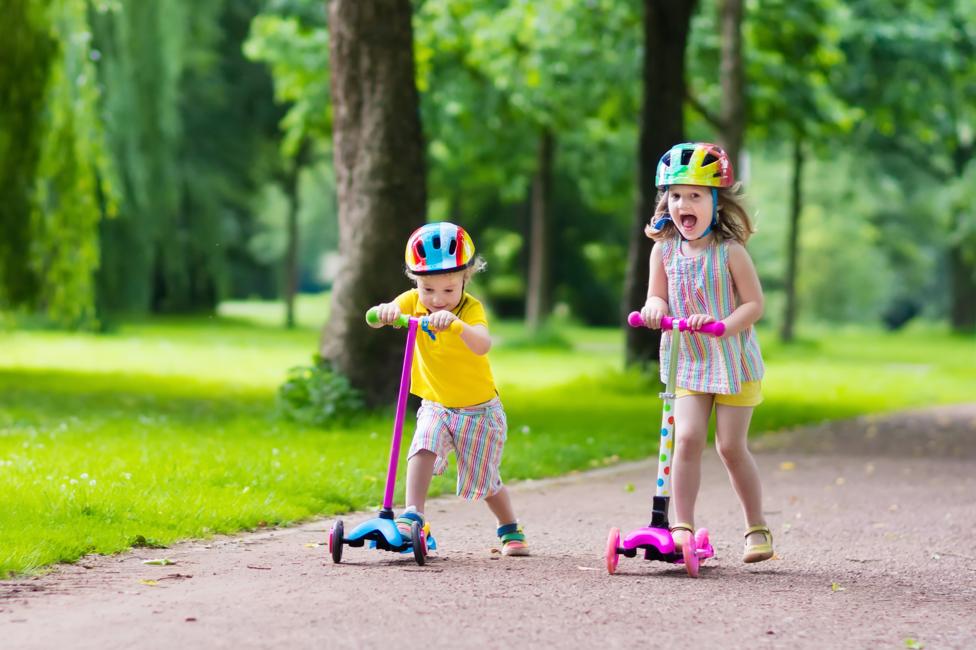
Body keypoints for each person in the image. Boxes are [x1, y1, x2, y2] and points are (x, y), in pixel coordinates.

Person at [637, 142, 773, 563]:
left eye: (695, 195)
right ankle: (682, 526)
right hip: (689, 361)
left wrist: (723, 326)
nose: (683, 204)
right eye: (675, 196)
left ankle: (756, 528)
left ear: (715, 202)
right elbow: (656, 297)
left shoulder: (730, 252)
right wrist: (655, 310)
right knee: (688, 438)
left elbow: (754, 304)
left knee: (730, 447)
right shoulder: (663, 251)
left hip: (733, 361)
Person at [369, 222, 529, 557]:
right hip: (436, 404)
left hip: (479, 410)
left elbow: (483, 344)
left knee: (485, 482)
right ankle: (413, 516)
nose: (437, 300)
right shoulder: (412, 302)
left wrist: (457, 326)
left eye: (448, 290)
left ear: (465, 280)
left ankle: (510, 528)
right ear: (416, 282)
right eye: (428, 289)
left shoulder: (470, 309)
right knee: (422, 445)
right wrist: (384, 314)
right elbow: (376, 317)